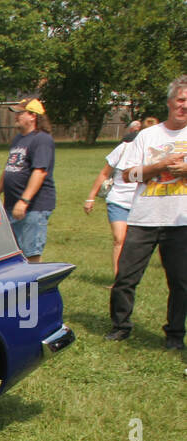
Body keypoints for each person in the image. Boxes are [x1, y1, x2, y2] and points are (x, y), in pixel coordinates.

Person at [106, 75, 187, 347]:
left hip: (181, 221)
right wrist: (159, 167)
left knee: (181, 283)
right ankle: (120, 326)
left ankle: (175, 335)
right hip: (144, 218)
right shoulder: (147, 136)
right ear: (169, 102)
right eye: (180, 99)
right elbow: (128, 175)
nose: (184, 106)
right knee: (126, 277)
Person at [0, 97, 56, 263]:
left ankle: (35, 288)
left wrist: (24, 201)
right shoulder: (18, 139)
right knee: (14, 252)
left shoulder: (42, 139)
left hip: (33, 207)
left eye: (20, 113)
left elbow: (40, 172)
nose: (16, 116)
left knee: (31, 253)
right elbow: (9, 168)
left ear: (33, 116)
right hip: (12, 204)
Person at [84, 133, 139, 276]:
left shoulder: (153, 153)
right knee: (119, 238)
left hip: (140, 204)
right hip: (118, 201)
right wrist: (90, 197)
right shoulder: (124, 148)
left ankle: (129, 277)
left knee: (133, 242)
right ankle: (118, 279)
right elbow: (104, 173)